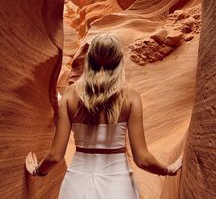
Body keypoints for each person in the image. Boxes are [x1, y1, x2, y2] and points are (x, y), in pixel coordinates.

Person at [26, 34, 183, 198]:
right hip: (118, 187)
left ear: (89, 59)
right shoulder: (131, 98)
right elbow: (142, 159)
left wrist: (37, 171)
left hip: (77, 186)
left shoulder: (69, 96)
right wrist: (168, 169)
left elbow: (55, 156)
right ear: (119, 61)